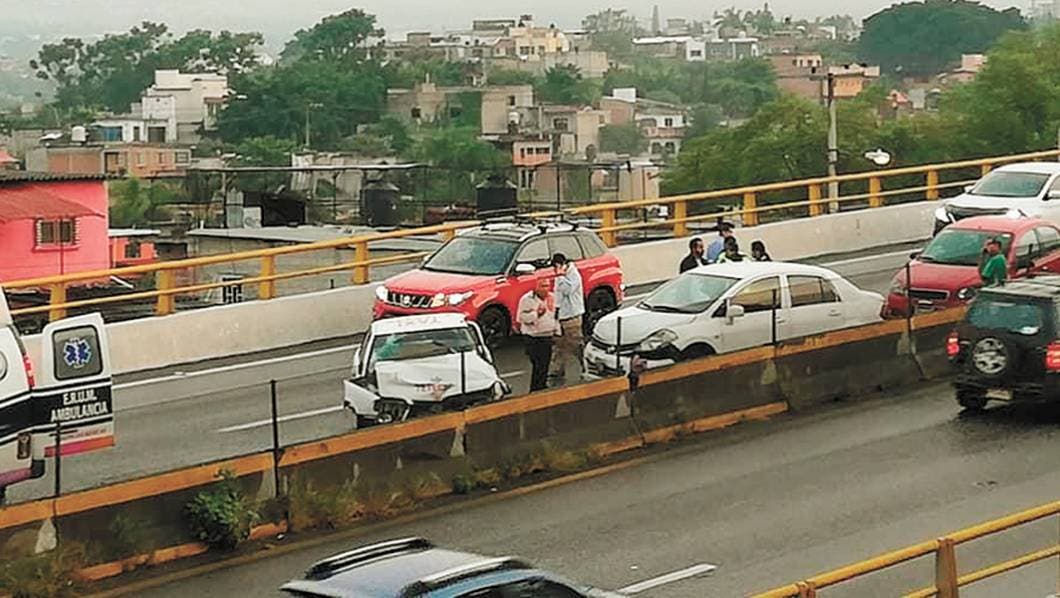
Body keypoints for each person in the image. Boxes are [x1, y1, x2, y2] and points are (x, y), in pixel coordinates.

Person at [517, 278, 560, 392]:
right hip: (532, 337)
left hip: (547, 335)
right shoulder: (527, 299)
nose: (545, 289)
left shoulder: (552, 298)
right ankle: (535, 388)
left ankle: (541, 387)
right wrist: (536, 314)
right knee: (537, 365)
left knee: (544, 365)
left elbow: (555, 317)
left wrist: (557, 331)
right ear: (536, 287)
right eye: (542, 286)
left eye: (547, 286)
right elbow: (521, 318)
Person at [549, 253, 584, 384]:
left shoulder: (573, 275)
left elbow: (567, 290)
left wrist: (560, 276)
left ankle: (586, 364)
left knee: (576, 345)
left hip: (571, 317)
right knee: (558, 346)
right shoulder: (560, 276)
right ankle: (557, 370)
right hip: (560, 317)